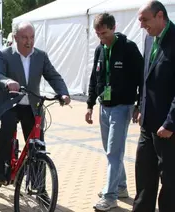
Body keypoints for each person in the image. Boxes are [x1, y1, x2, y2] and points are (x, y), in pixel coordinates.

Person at [0, 21, 70, 187]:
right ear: (15, 38)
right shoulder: (5, 54)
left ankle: (38, 187)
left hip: (32, 106)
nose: (29, 41)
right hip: (10, 103)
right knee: (8, 129)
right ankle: (1, 170)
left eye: (32, 37)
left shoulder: (41, 56)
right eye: (24, 37)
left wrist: (63, 93)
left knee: (37, 144)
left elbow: (53, 76)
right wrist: (7, 82)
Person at [85, 13, 143, 211]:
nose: (102, 37)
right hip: (104, 107)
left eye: (105, 33)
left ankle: (110, 197)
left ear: (113, 27)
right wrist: (90, 104)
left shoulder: (129, 48)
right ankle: (121, 187)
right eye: (98, 34)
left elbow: (142, 77)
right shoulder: (100, 49)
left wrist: (139, 105)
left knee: (113, 152)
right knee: (112, 152)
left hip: (122, 106)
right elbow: (94, 78)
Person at [133, 1, 175, 211]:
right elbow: (146, 78)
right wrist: (141, 106)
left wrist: (171, 122)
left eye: (144, 20)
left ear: (160, 16)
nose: (141, 25)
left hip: (169, 130)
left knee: (170, 184)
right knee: (144, 178)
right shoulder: (150, 40)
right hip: (148, 125)